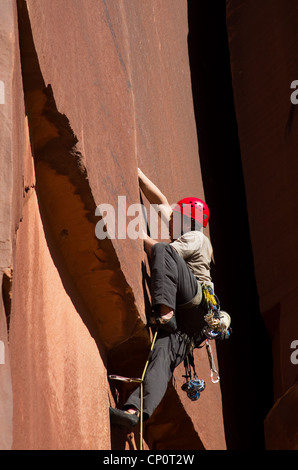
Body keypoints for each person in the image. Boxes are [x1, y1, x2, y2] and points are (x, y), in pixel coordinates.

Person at [109, 169, 230, 427]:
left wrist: (135, 236)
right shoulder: (186, 230)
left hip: (194, 304)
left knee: (162, 249)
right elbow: (161, 202)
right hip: (190, 328)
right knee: (161, 359)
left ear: (187, 220)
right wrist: (137, 173)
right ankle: (135, 413)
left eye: (176, 218)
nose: (170, 220)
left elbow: (165, 252)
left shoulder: (196, 238)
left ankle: (164, 313)